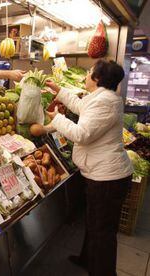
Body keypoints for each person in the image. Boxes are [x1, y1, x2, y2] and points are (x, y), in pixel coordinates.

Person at [44, 60, 133, 276]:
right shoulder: (102, 98)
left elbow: (81, 135)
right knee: (94, 224)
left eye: (90, 72)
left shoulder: (105, 102)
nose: (86, 74)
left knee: (102, 232)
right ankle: (87, 260)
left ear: (97, 79)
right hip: (101, 174)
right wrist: (60, 91)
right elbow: (82, 107)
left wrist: (57, 119)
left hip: (107, 179)